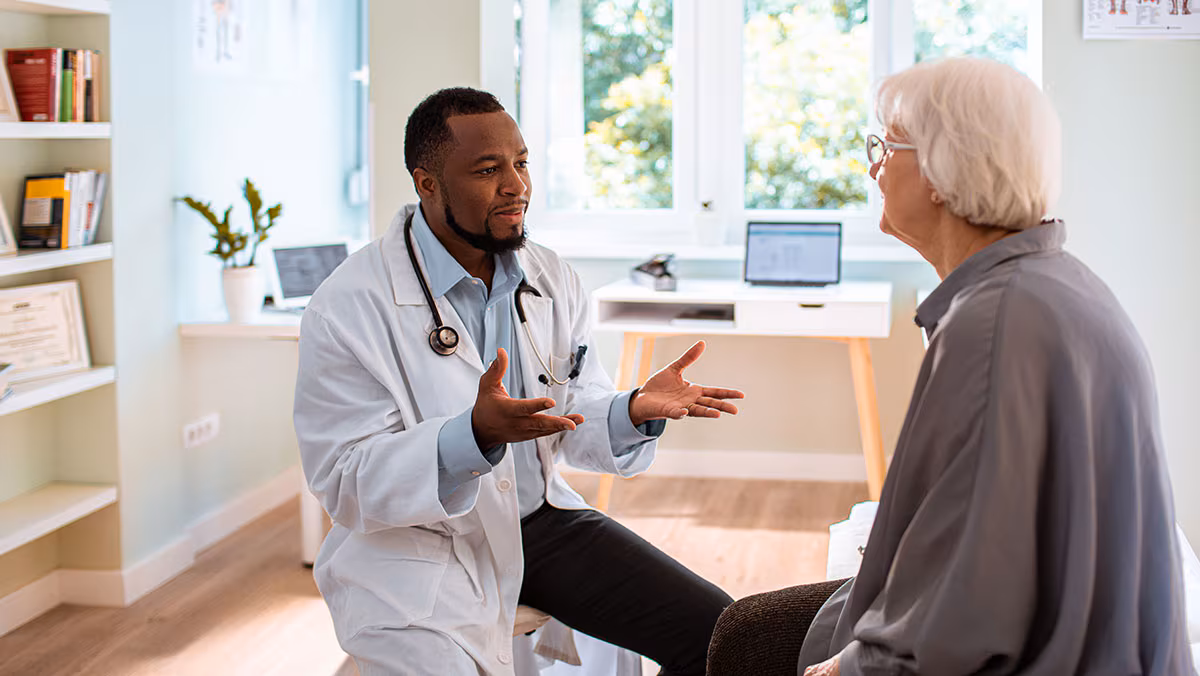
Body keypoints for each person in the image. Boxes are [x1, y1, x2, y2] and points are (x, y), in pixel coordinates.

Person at [707, 57, 1196, 676]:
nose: (873, 166)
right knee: (746, 625)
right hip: (1069, 628)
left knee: (744, 640)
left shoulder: (994, 324)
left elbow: (970, 602)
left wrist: (850, 668)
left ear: (941, 169)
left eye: (886, 146)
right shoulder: (1050, 283)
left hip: (1035, 649)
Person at [293, 87, 744, 676]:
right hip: (418, 548)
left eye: (522, 162)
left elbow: (575, 409)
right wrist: (471, 438)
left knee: (730, 641)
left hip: (541, 526)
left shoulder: (551, 276)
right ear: (427, 182)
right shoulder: (348, 306)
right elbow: (344, 481)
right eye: (488, 169)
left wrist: (631, 411)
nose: (517, 186)